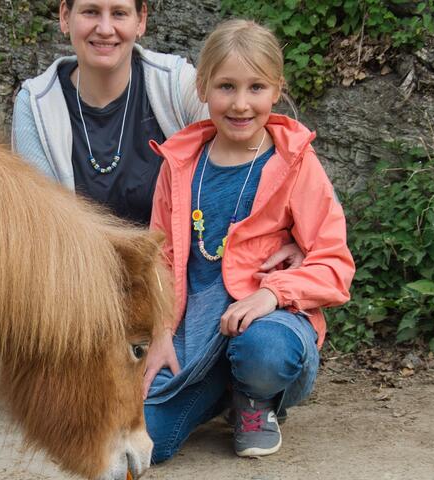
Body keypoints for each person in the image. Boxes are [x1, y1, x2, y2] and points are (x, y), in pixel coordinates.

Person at [143, 19, 355, 462]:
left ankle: (257, 399)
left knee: (262, 351)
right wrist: (160, 332)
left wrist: (271, 294)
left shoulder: (295, 162)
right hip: (196, 331)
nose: (241, 104)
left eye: (256, 87)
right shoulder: (179, 164)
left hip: (271, 328)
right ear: (202, 88)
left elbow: (334, 263)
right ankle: (218, 392)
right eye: (226, 87)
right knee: (147, 441)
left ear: (277, 90)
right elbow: (159, 258)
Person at [11, 0, 303, 265]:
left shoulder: (174, 83)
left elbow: (259, 145)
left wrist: (300, 237)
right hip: (81, 279)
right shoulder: (37, 104)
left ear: (141, 20)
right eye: (90, 11)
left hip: (177, 277)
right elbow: (42, 225)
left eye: (119, 13)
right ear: (65, 17)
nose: (104, 28)